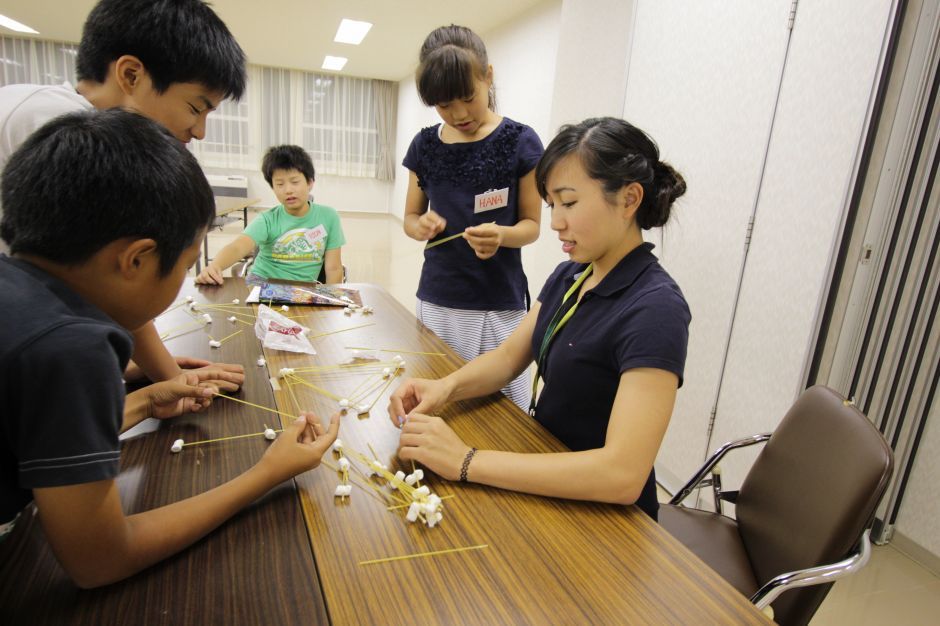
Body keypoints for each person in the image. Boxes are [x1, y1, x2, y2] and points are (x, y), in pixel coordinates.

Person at [0, 109, 339, 586]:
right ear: (136, 259)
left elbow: (34, 434)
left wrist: (139, 401)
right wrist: (265, 474)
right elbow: (100, 560)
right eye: (183, 267)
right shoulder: (75, 347)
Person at [389, 117, 690, 521]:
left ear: (629, 199)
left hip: (607, 522)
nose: (555, 222)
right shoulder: (573, 274)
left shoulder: (655, 308)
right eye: (552, 205)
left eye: (569, 203)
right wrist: (444, 389)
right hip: (547, 477)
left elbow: (621, 475)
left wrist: (465, 460)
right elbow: (510, 356)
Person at [0, 0, 246, 387]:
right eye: (196, 108)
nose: (199, 131)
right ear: (131, 74)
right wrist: (172, 380)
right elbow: (112, 287)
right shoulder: (58, 128)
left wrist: (161, 374)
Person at [401, 25, 543, 411]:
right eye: (445, 105)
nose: (459, 114)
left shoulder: (520, 141)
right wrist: (421, 226)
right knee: (437, 400)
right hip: (440, 296)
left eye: (468, 98)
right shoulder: (425, 146)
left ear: (488, 77)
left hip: (498, 300)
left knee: (500, 409)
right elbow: (411, 218)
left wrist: (502, 236)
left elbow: (532, 226)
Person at [195, 145, 345, 285]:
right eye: (280, 184)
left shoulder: (328, 217)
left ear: (310, 182)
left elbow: (333, 269)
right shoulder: (267, 219)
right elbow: (238, 247)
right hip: (261, 286)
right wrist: (215, 266)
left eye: (294, 182)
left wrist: (332, 302)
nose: (288, 190)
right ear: (272, 187)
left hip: (301, 292)